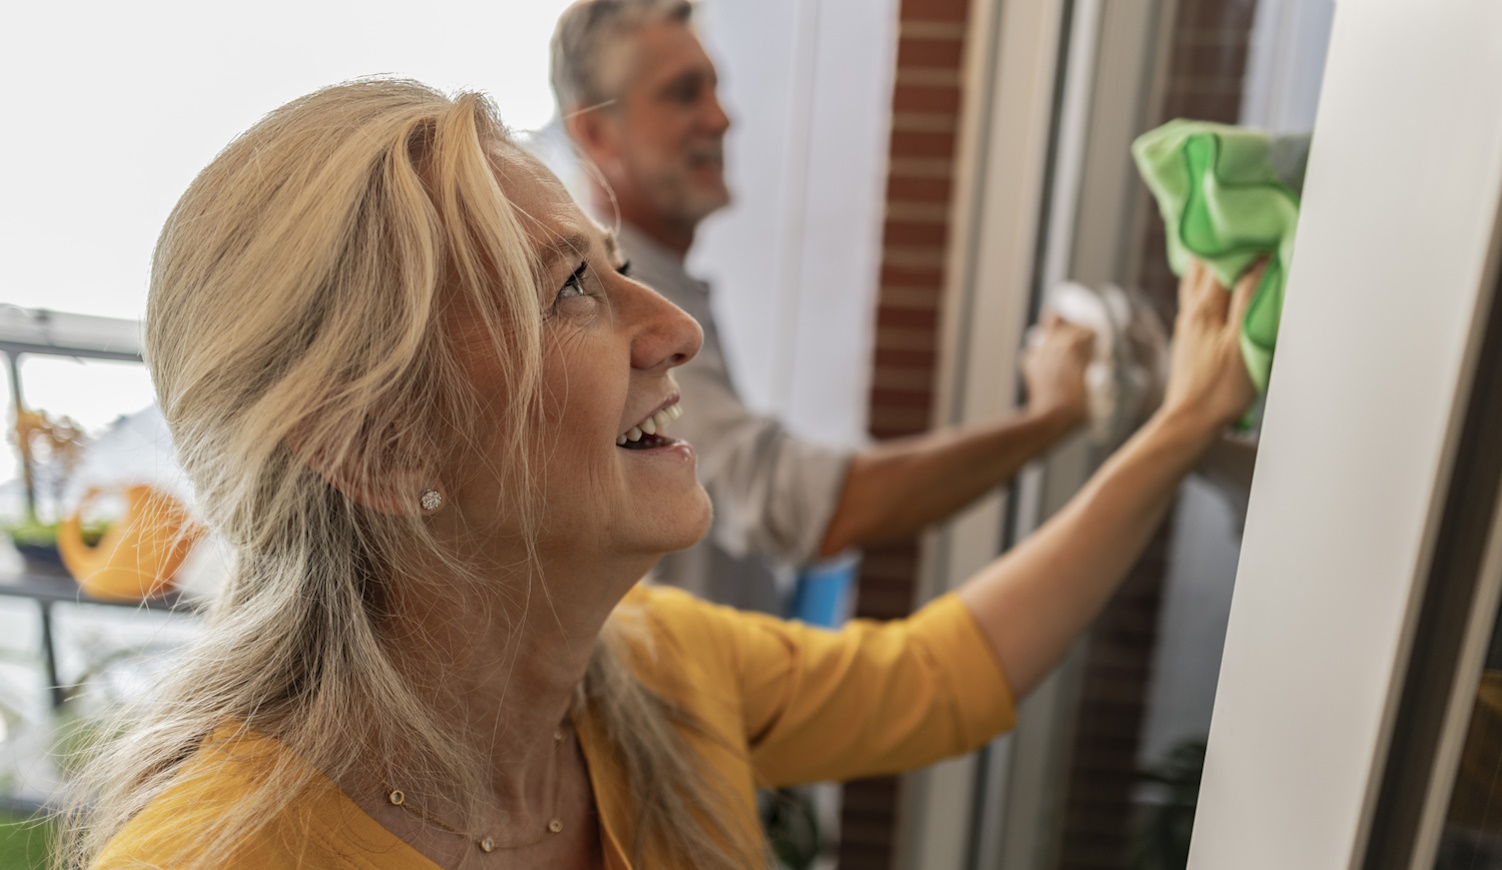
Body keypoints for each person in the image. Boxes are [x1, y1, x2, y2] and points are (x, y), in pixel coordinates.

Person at [65, 80, 1261, 870]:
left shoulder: (659, 670)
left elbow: (945, 673)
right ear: (380, 448)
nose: (673, 327)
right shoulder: (209, 856)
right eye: (571, 290)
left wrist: (1173, 428)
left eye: (618, 264)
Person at [548, 0, 1097, 610]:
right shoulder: (617, 305)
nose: (722, 117)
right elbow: (786, 504)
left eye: (716, 88)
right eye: (683, 94)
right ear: (595, 133)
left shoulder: (660, 284)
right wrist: (1049, 419)